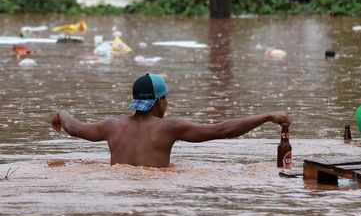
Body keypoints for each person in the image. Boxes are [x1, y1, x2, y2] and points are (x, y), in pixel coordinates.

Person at [50, 73, 290, 168]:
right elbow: (224, 130)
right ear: (159, 102)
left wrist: (61, 113)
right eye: (165, 99)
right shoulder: (170, 128)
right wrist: (267, 116)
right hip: (156, 192)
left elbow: (73, 127)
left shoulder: (111, 126)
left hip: (118, 189)